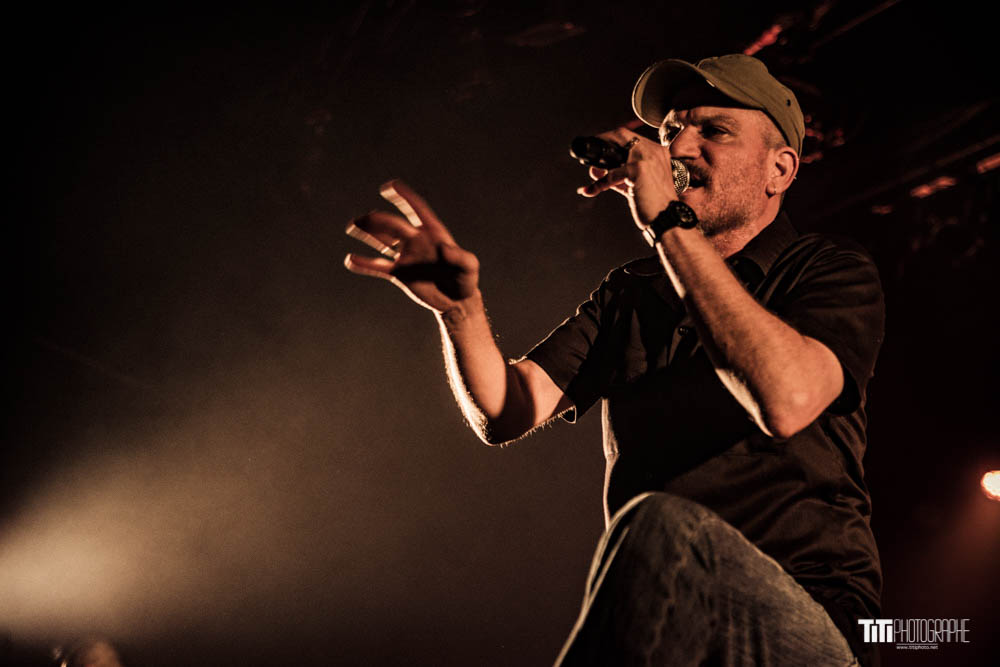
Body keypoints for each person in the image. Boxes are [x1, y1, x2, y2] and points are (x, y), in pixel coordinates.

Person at [345, 54, 884, 667]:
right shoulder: (633, 290)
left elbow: (786, 400)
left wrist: (668, 224)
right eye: (672, 130)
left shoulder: (828, 270)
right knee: (660, 537)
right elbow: (506, 411)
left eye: (714, 130)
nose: (680, 146)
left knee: (663, 527)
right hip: (677, 619)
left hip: (818, 621)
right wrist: (459, 311)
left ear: (779, 169)